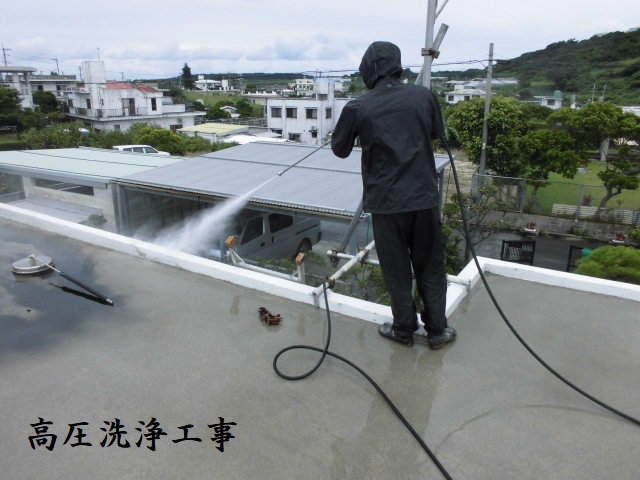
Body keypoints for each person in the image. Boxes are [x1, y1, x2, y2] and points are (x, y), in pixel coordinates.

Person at [331, 41, 456, 349]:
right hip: (424, 198)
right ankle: (437, 332)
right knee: (431, 266)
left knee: (397, 270)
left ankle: (404, 330)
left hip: (386, 204)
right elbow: (435, 132)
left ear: (368, 69)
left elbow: (339, 149)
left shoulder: (358, 106)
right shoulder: (423, 97)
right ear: (396, 66)